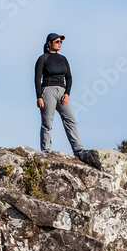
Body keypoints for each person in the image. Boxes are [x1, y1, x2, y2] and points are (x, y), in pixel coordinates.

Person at [35, 33, 101, 168]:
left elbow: (69, 77)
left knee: (71, 119)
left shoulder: (63, 59)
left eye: (61, 42)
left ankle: (78, 150)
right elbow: (37, 79)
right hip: (48, 90)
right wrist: (39, 97)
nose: (60, 43)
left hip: (62, 92)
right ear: (49, 43)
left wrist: (67, 93)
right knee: (47, 122)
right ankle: (46, 151)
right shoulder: (43, 58)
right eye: (57, 41)